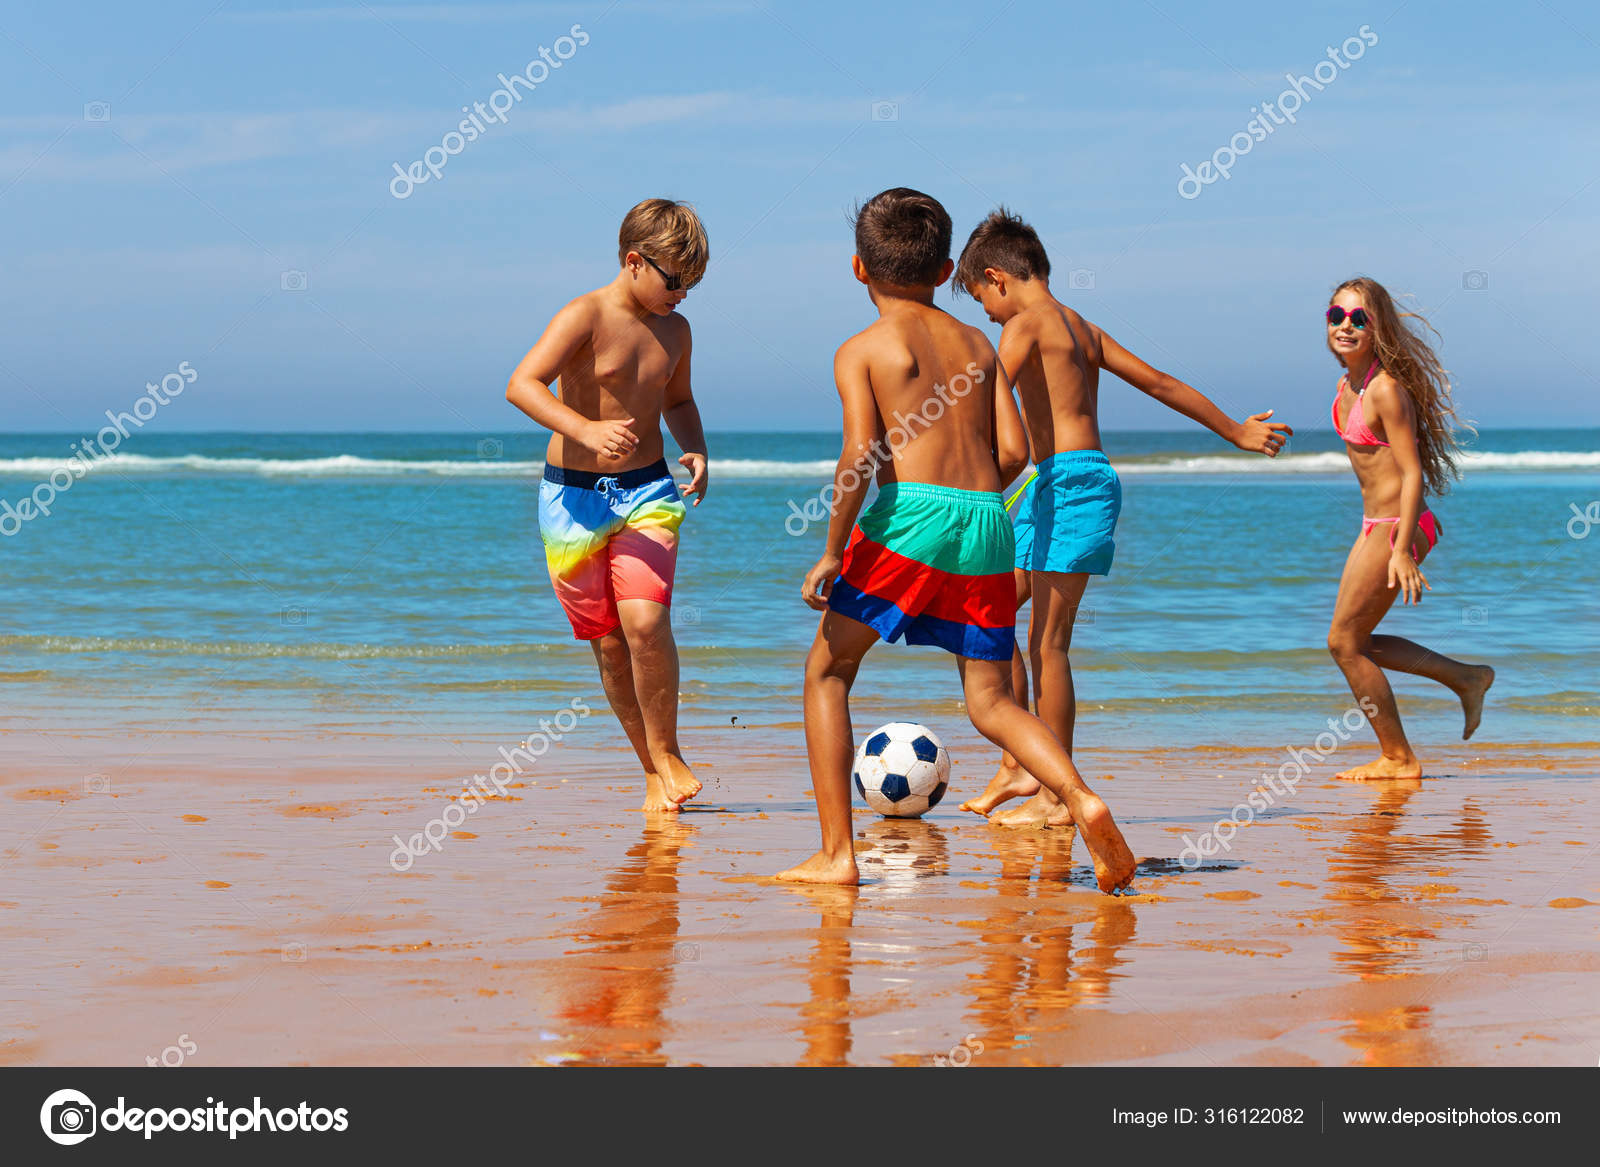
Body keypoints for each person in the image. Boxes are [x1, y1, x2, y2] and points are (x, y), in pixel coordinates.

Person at [773, 188, 1136, 893]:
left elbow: (856, 459)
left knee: (827, 670)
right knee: (992, 700)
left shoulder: (863, 350)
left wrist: (831, 548)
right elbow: (1014, 452)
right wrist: (970, 500)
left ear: (857, 269)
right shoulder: (978, 343)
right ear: (947, 272)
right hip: (990, 519)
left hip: (912, 515)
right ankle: (1077, 795)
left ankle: (837, 856)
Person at [954, 209, 1291, 826]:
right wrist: (1235, 430)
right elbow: (1160, 383)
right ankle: (1020, 764)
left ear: (998, 278)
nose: (988, 314)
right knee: (995, 604)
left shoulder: (1025, 326)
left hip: (1071, 482)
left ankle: (1058, 795)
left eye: (982, 301)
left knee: (1048, 643)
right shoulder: (1084, 329)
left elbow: (986, 397)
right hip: (1048, 484)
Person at [506, 198, 710, 812]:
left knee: (645, 624)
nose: (684, 295)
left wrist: (695, 448)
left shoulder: (676, 329)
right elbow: (521, 384)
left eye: (693, 284)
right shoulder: (585, 315)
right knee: (610, 644)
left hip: (648, 489)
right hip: (572, 499)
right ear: (634, 261)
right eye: (676, 281)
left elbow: (678, 400)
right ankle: (652, 771)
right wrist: (585, 429)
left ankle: (669, 750)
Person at [1321, 276, 1493, 779]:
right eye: (1337, 316)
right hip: (1375, 523)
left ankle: (1399, 758)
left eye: (1359, 319)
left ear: (1378, 328)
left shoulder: (1385, 390)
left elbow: (1412, 471)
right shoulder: (1347, 385)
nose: (1346, 326)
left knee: (1342, 642)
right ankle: (1467, 677)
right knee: (1355, 641)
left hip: (1401, 525)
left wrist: (1400, 549)